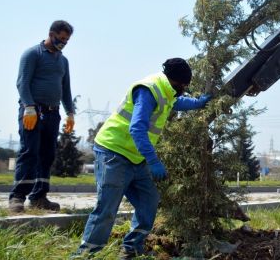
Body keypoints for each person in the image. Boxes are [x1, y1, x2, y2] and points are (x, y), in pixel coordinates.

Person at [74, 58, 211, 259]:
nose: (184, 89)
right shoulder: (149, 90)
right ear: (176, 81)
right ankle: (85, 255)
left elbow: (176, 102)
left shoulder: (167, 89)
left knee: (149, 201)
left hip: (135, 158)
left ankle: (131, 249)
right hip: (114, 152)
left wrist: (199, 103)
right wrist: (153, 160)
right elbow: (136, 128)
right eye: (183, 86)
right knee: (107, 208)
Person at [9, 20, 75, 213]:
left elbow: (66, 89)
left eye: (67, 40)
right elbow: (22, 83)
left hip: (53, 113)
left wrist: (70, 112)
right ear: (51, 34)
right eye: (61, 38)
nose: (63, 42)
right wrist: (29, 106)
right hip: (32, 111)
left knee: (47, 155)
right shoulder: (32, 54)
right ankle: (17, 197)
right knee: (30, 152)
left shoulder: (63, 60)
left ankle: (39, 196)